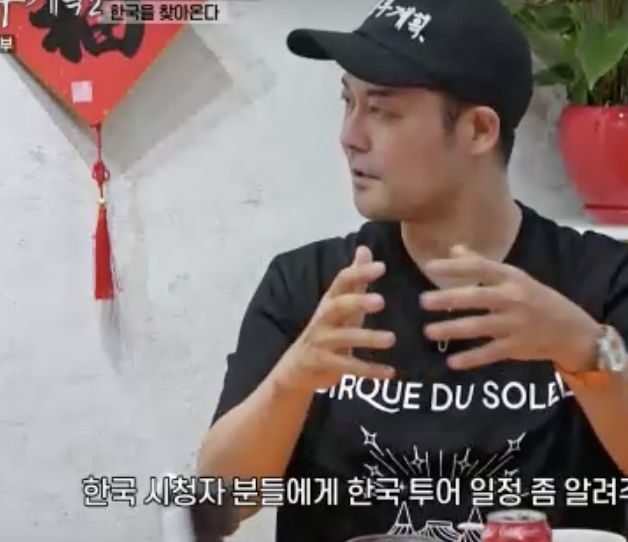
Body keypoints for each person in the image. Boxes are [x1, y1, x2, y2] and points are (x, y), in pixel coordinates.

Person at [197, 0, 628, 540]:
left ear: (478, 130)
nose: (350, 136)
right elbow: (214, 506)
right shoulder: (312, 285)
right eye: (348, 102)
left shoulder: (601, 279)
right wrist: (292, 378)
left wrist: (587, 350)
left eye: (382, 111)